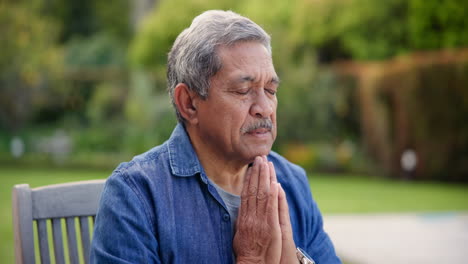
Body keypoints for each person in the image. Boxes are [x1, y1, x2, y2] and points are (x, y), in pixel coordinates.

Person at [90, 10, 341, 264]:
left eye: (270, 90)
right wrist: (251, 259)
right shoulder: (136, 194)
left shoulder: (292, 183)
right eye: (243, 90)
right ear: (188, 103)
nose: (264, 107)